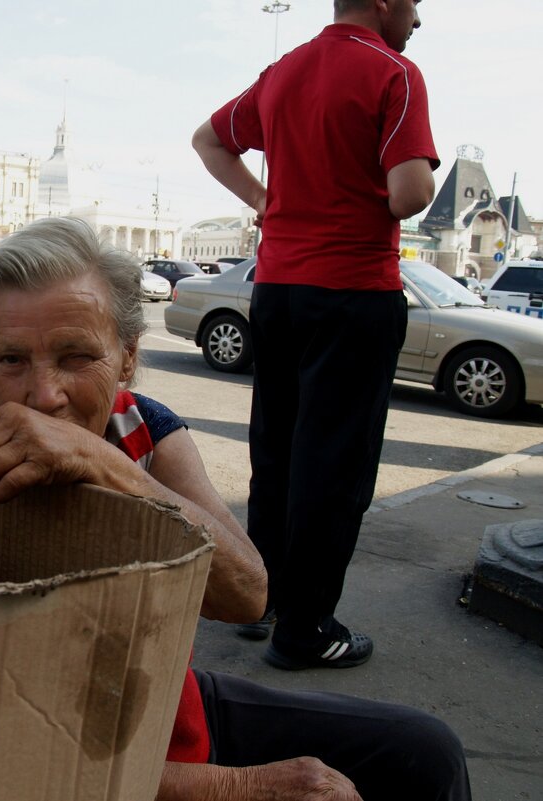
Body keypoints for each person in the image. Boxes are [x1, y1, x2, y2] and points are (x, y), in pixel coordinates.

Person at [0, 216, 470, 800]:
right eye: (12, 360)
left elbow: (245, 594)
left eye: (75, 357)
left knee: (426, 751)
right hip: (85, 751)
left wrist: (106, 465)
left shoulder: (145, 431)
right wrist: (235, 787)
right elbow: (12, 746)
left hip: (173, 699)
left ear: (126, 358)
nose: (44, 395)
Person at [192, 0, 440, 669]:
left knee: (277, 452)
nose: (419, 17)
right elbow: (409, 194)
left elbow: (209, 140)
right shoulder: (395, 73)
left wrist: (262, 200)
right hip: (353, 293)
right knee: (333, 465)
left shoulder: (284, 72)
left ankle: (260, 599)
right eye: (415, 3)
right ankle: (306, 628)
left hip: (277, 290)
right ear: (385, 2)